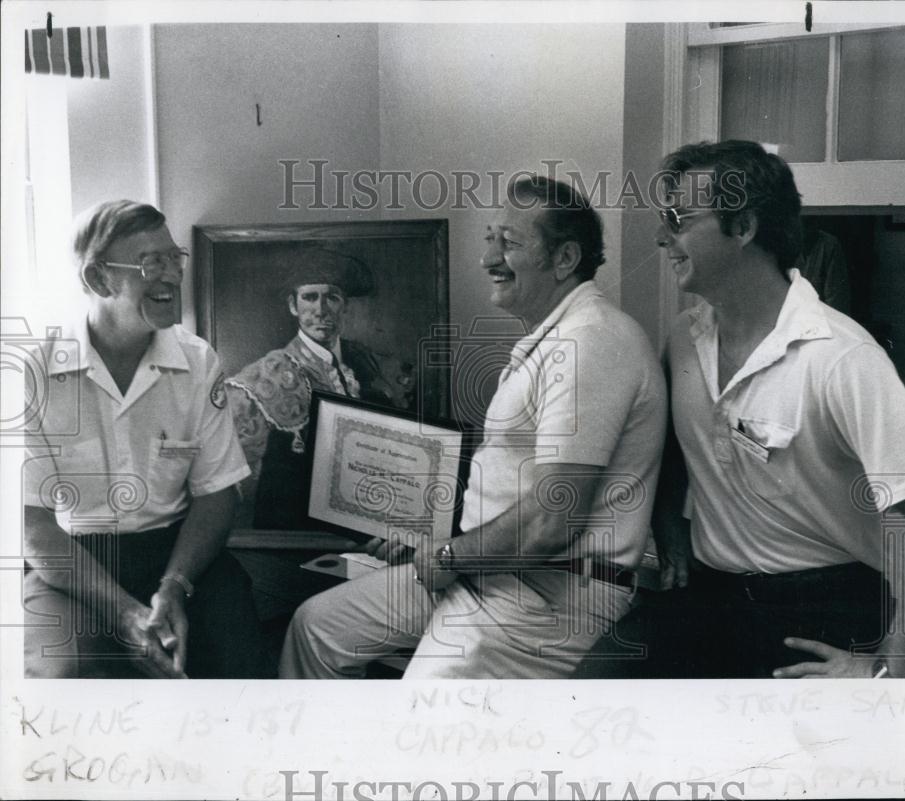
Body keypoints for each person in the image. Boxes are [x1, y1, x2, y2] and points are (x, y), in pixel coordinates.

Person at [279, 176, 667, 679]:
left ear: (566, 259)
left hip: (548, 598)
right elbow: (508, 485)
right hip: (494, 573)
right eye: (490, 238)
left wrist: (448, 554)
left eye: (508, 242)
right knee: (316, 627)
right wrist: (425, 535)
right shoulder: (558, 336)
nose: (487, 258)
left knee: (422, 725)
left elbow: (555, 520)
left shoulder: (591, 342)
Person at [650, 140, 905, 679]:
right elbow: (679, 442)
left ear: (744, 226)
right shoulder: (683, 339)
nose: (663, 237)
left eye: (679, 218)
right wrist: (668, 520)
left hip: (824, 612)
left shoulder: (840, 356)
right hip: (709, 601)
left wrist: (888, 673)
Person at [22, 200, 267, 678]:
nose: (172, 276)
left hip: (179, 554)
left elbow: (217, 496)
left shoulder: (198, 362)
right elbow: (34, 526)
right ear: (98, 280)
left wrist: (173, 586)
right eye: (151, 262)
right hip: (74, 563)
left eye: (173, 258)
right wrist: (125, 612)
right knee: (54, 675)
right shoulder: (34, 370)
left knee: (243, 664)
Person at [225, 250, 407, 529]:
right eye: (310, 297)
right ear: (293, 306)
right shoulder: (261, 377)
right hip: (294, 532)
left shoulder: (368, 365)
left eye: (331, 297)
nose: (321, 310)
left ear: (344, 305)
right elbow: (244, 486)